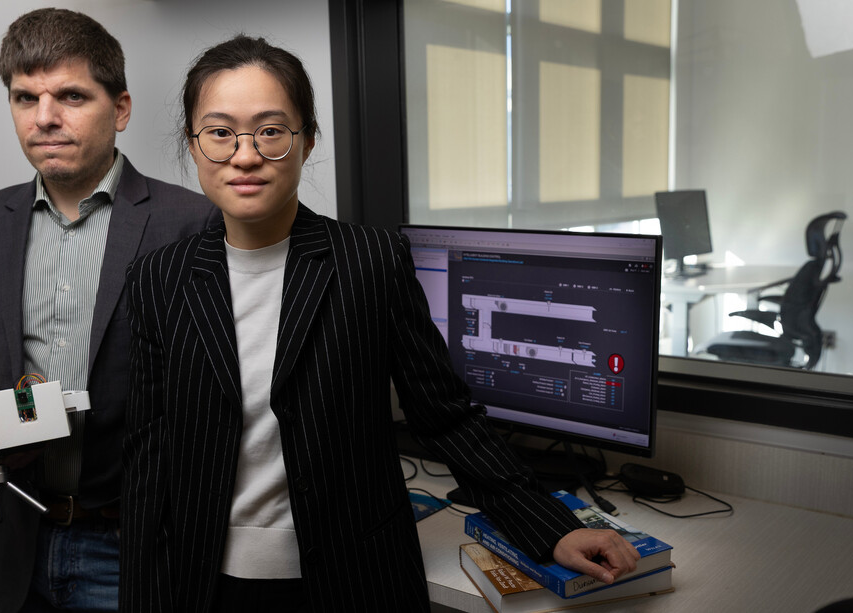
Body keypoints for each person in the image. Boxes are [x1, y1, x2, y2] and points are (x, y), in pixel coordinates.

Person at [119, 35, 639, 613]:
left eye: (271, 130)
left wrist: (551, 527)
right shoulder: (158, 280)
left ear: (307, 140)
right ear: (193, 146)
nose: (245, 155)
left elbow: (443, 415)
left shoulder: (370, 261)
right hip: (206, 581)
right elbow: (150, 456)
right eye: (219, 133)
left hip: (356, 573)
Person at [0, 8, 216, 613]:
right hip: (18, 537)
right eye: (24, 97)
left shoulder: (192, 225)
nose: (45, 117)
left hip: (134, 544)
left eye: (71, 96)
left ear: (122, 108)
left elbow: (219, 389)